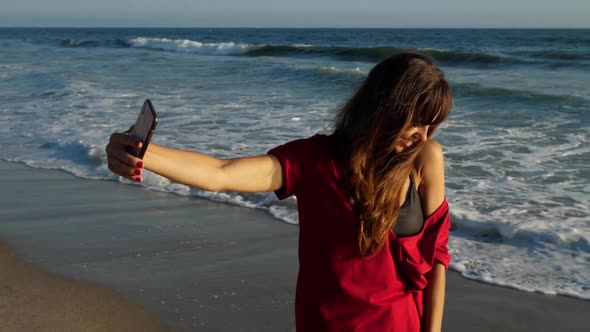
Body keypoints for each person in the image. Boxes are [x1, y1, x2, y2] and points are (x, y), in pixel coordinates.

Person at [106, 51, 453, 332]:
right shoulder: (313, 161)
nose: (422, 135)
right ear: (386, 107)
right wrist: (143, 152)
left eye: (431, 125)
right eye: (416, 120)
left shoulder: (424, 159)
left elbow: (436, 255)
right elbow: (220, 172)